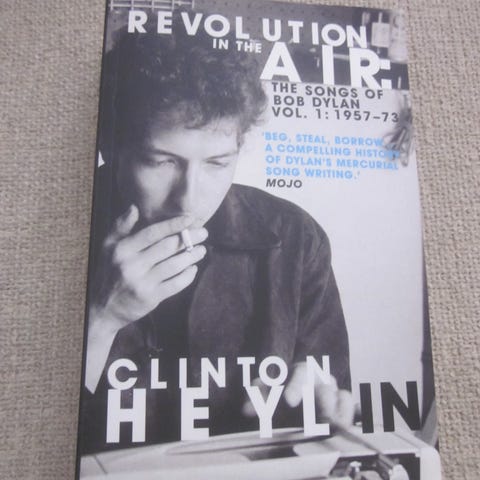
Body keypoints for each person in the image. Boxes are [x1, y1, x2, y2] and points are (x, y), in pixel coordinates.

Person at [79, 13, 353, 454]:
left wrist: (322, 407)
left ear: (239, 150)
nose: (188, 199)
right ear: (111, 146)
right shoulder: (57, 227)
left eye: (217, 163)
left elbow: (336, 407)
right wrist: (102, 318)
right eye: (161, 161)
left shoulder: (297, 238)